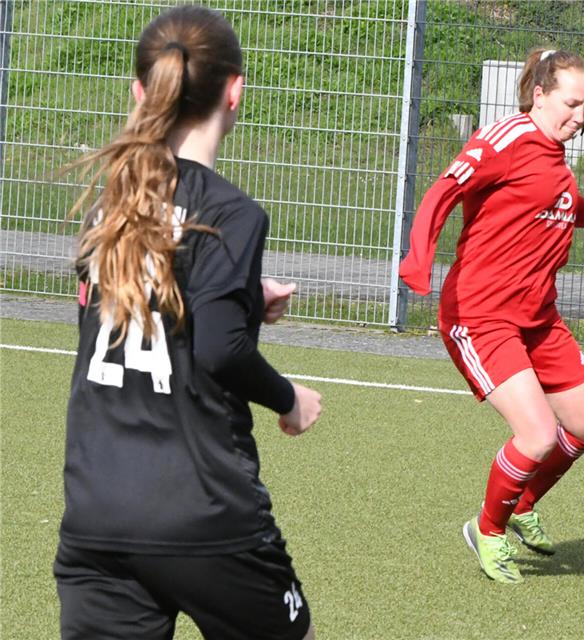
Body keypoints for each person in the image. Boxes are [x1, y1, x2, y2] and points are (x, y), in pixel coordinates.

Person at [55, 6, 323, 639]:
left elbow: (122, 315)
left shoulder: (112, 204)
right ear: (236, 92)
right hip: (202, 509)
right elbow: (219, 350)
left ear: (140, 92)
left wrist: (242, 294)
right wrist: (289, 398)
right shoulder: (232, 213)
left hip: (97, 510)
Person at [399, 48, 584, 584]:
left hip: (538, 316)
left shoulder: (554, 154)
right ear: (539, 94)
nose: (580, 116)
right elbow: (445, 190)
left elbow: (563, 206)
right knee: (536, 436)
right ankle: (488, 530)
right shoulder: (505, 138)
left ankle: (521, 503)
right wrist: (419, 258)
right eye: (571, 103)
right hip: (481, 314)